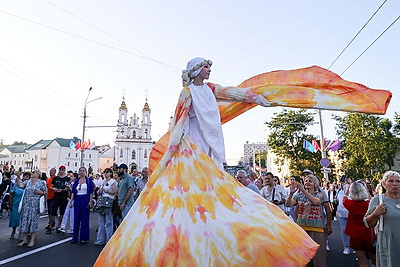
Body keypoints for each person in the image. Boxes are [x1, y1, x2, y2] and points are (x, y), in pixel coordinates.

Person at [95, 57, 319, 266]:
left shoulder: (210, 89)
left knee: (216, 198)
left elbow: (234, 93)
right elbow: (178, 126)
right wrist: (166, 158)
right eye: (205, 66)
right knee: (188, 199)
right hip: (191, 149)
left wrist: (257, 99)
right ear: (195, 71)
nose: (209, 69)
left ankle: (217, 245)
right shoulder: (186, 93)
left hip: (209, 147)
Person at [286, 174, 327, 267]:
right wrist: (291, 194)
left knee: (318, 255)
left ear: (315, 184)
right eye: (306, 181)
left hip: (316, 228)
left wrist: (303, 190)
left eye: (310, 181)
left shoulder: (319, 194)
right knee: (304, 254)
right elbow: (288, 204)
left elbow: (316, 202)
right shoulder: (299, 195)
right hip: (302, 227)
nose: (307, 182)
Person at [364, 171, 400, 267]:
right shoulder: (378, 200)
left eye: (398, 181)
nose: (395, 184)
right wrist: (375, 214)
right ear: (384, 184)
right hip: (389, 244)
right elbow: (368, 223)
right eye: (391, 181)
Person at [344, 181, 375, 267]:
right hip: (368, 234)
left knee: (362, 261)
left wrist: (347, 190)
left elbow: (344, 199)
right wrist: (366, 189)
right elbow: (372, 200)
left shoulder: (349, 204)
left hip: (355, 235)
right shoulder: (368, 204)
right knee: (374, 261)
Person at [16, 169, 47, 247]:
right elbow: (21, 185)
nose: (32, 173)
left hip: (35, 204)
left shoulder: (42, 182)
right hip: (26, 203)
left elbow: (46, 192)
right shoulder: (29, 181)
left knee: (33, 221)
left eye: (34, 172)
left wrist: (40, 193)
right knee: (25, 220)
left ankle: (32, 240)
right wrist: (18, 177)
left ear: (38, 174)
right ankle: (25, 239)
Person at [70, 166, 94, 244]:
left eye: (83, 171)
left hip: (85, 200)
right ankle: (75, 237)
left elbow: (91, 192)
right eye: (80, 171)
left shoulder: (88, 181)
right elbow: (73, 192)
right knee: (76, 218)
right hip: (77, 200)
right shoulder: (76, 181)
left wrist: (90, 201)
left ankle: (84, 238)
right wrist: (71, 201)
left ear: (86, 172)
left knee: (84, 219)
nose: (82, 172)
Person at [95, 168, 118, 246]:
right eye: (104, 172)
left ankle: (108, 240)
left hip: (109, 200)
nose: (105, 173)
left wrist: (107, 191)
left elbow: (115, 191)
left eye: (107, 172)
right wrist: (99, 192)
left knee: (109, 221)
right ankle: (100, 240)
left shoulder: (113, 182)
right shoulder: (103, 182)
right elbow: (100, 191)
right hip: (102, 200)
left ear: (110, 173)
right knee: (101, 221)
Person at [48, 165, 70, 234]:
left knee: (62, 213)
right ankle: (50, 226)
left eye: (62, 170)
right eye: (60, 170)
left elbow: (69, 188)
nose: (61, 171)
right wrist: (54, 189)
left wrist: (62, 190)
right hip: (56, 197)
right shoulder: (55, 178)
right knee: (53, 212)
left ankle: (59, 227)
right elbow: (51, 186)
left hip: (63, 197)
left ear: (64, 171)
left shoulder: (67, 179)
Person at [9, 172, 30, 240]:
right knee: (14, 219)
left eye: (27, 177)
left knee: (22, 220)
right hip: (15, 204)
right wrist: (10, 204)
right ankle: (13, 231)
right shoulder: (16, 185)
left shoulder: (28, 186)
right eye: (24, 176)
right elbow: (11, 194)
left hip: (24, 205)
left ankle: (20, 234)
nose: (25, 178)